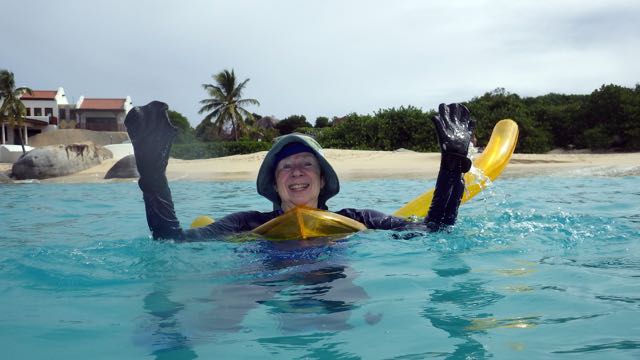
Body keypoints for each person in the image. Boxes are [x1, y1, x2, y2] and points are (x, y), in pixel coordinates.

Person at [125, 101, 475, 242]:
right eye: (286, 167)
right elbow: (172, 241)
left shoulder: (357, 218)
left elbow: (435, 231)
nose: (296, 173)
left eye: (307, 165)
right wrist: (153, 174)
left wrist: (452, 162)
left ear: (322, 179)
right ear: (273, 184)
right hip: (264, 287)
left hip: (333, 285)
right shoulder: (245, 223)